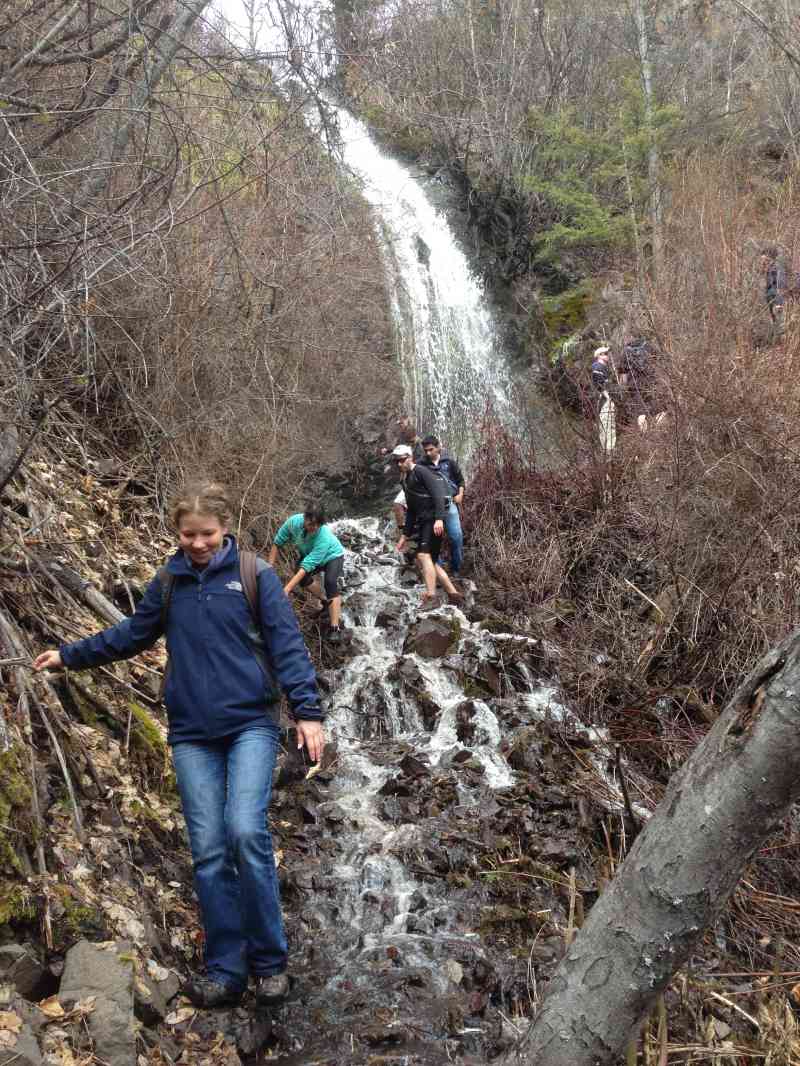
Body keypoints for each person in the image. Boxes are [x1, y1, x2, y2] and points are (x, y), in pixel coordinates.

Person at [32, 481, 324, 1009]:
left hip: (252, 724)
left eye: (207, 534)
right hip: (192, 732)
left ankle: (270, 963)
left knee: (245, 831)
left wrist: (308, 712)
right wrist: (69, 656)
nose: (198, 544)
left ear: (225, 528)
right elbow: (131, 635)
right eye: (188, 535)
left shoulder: (256, 576)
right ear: (177, 533)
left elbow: (287, 645)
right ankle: (225, 970)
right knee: (209, 850)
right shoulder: (169, 582)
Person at [393, 445, 463, 608]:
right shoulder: (406, 479)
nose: (399, 464)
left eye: (402, 460)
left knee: (424, 556)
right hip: (424, 521)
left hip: (432, 521)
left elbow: (438, 493)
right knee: (428, 559)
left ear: (410, 457)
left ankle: (431, 596)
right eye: (396, 461)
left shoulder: (421, 472)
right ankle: (453, 594)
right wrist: (404, 535)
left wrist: (439, 519)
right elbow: (411, 510)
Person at [268, 507, 345, 641]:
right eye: (311, 524)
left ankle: (335, 628)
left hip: (333, 556)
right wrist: (268, 569)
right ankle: (326, 602)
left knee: (330, 582)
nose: (313, 528)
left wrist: (286, 589)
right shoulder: (293, 523)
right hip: (310, 553)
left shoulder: (324, 536)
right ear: (304, 518)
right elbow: (277, 542)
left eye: (317, 525)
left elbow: (307, 566)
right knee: (303, 579)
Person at [419, 434, 465, 575]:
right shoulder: (421, 465)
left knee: (456, 536)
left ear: (438, 447)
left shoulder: (449, 462)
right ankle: (438, 570)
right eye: (426, 450)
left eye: (431, 449)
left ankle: (456, 569)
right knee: (434, 540)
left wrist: (460, 494)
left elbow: (460, 480)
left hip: (449, 504)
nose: (428, 453)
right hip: (431, 507)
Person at [591, 346, 616, 454]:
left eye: (608, 353)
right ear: (599, 356)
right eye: (605, 353)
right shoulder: (597, 367)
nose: (608, 355)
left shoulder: (604, 367)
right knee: (607, 426)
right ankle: (609, 452)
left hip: (606, 400)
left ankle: (608, 451)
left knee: (608, 426)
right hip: (604, 401)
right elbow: (599, 385)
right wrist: (608, 398)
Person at [761, 249, 787, 333]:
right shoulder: (768, 268)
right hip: (770, 296)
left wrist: (778, 302)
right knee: (773, 319)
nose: (763, 261)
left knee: (778, 319)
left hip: (775, 296)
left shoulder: (777, 268)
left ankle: (779, 336)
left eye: (765, 259)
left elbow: (780, 285)